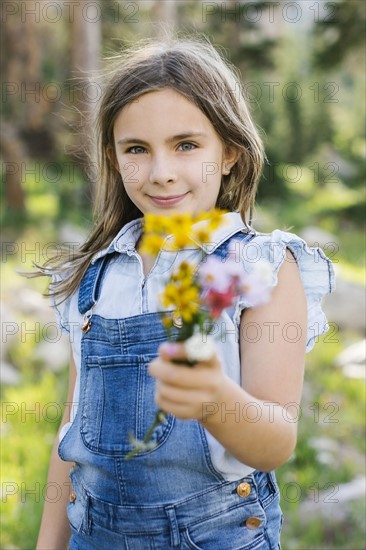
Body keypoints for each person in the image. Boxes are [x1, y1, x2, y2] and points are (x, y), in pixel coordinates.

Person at [36, 36, 335, 550]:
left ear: (230, 153)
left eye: (186, 145)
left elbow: (276, 442)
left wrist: (217, 401)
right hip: (94, 534)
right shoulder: (99, 275)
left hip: (215, 536)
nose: (161, 172)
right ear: (113, 156)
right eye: (137, 149)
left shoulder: (257, 267)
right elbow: (72, 430)